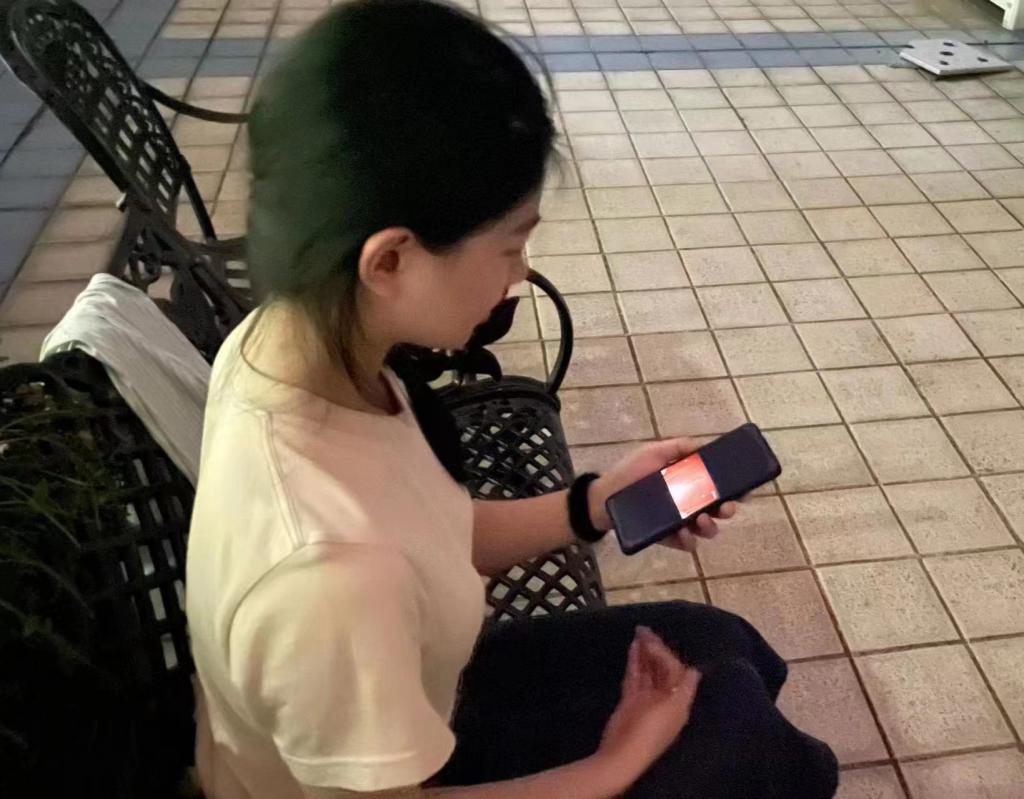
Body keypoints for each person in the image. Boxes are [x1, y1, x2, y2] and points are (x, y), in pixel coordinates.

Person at [184, 1, 840, 797]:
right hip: (386, 760)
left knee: (721, 646)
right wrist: (614, 763)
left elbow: (427, 529)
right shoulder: (329, 575)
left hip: (418, 695)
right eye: (512, 243)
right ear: (390, 261)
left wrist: (595, 503)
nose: (520, 274)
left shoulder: (290, 346)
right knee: (740, 735)